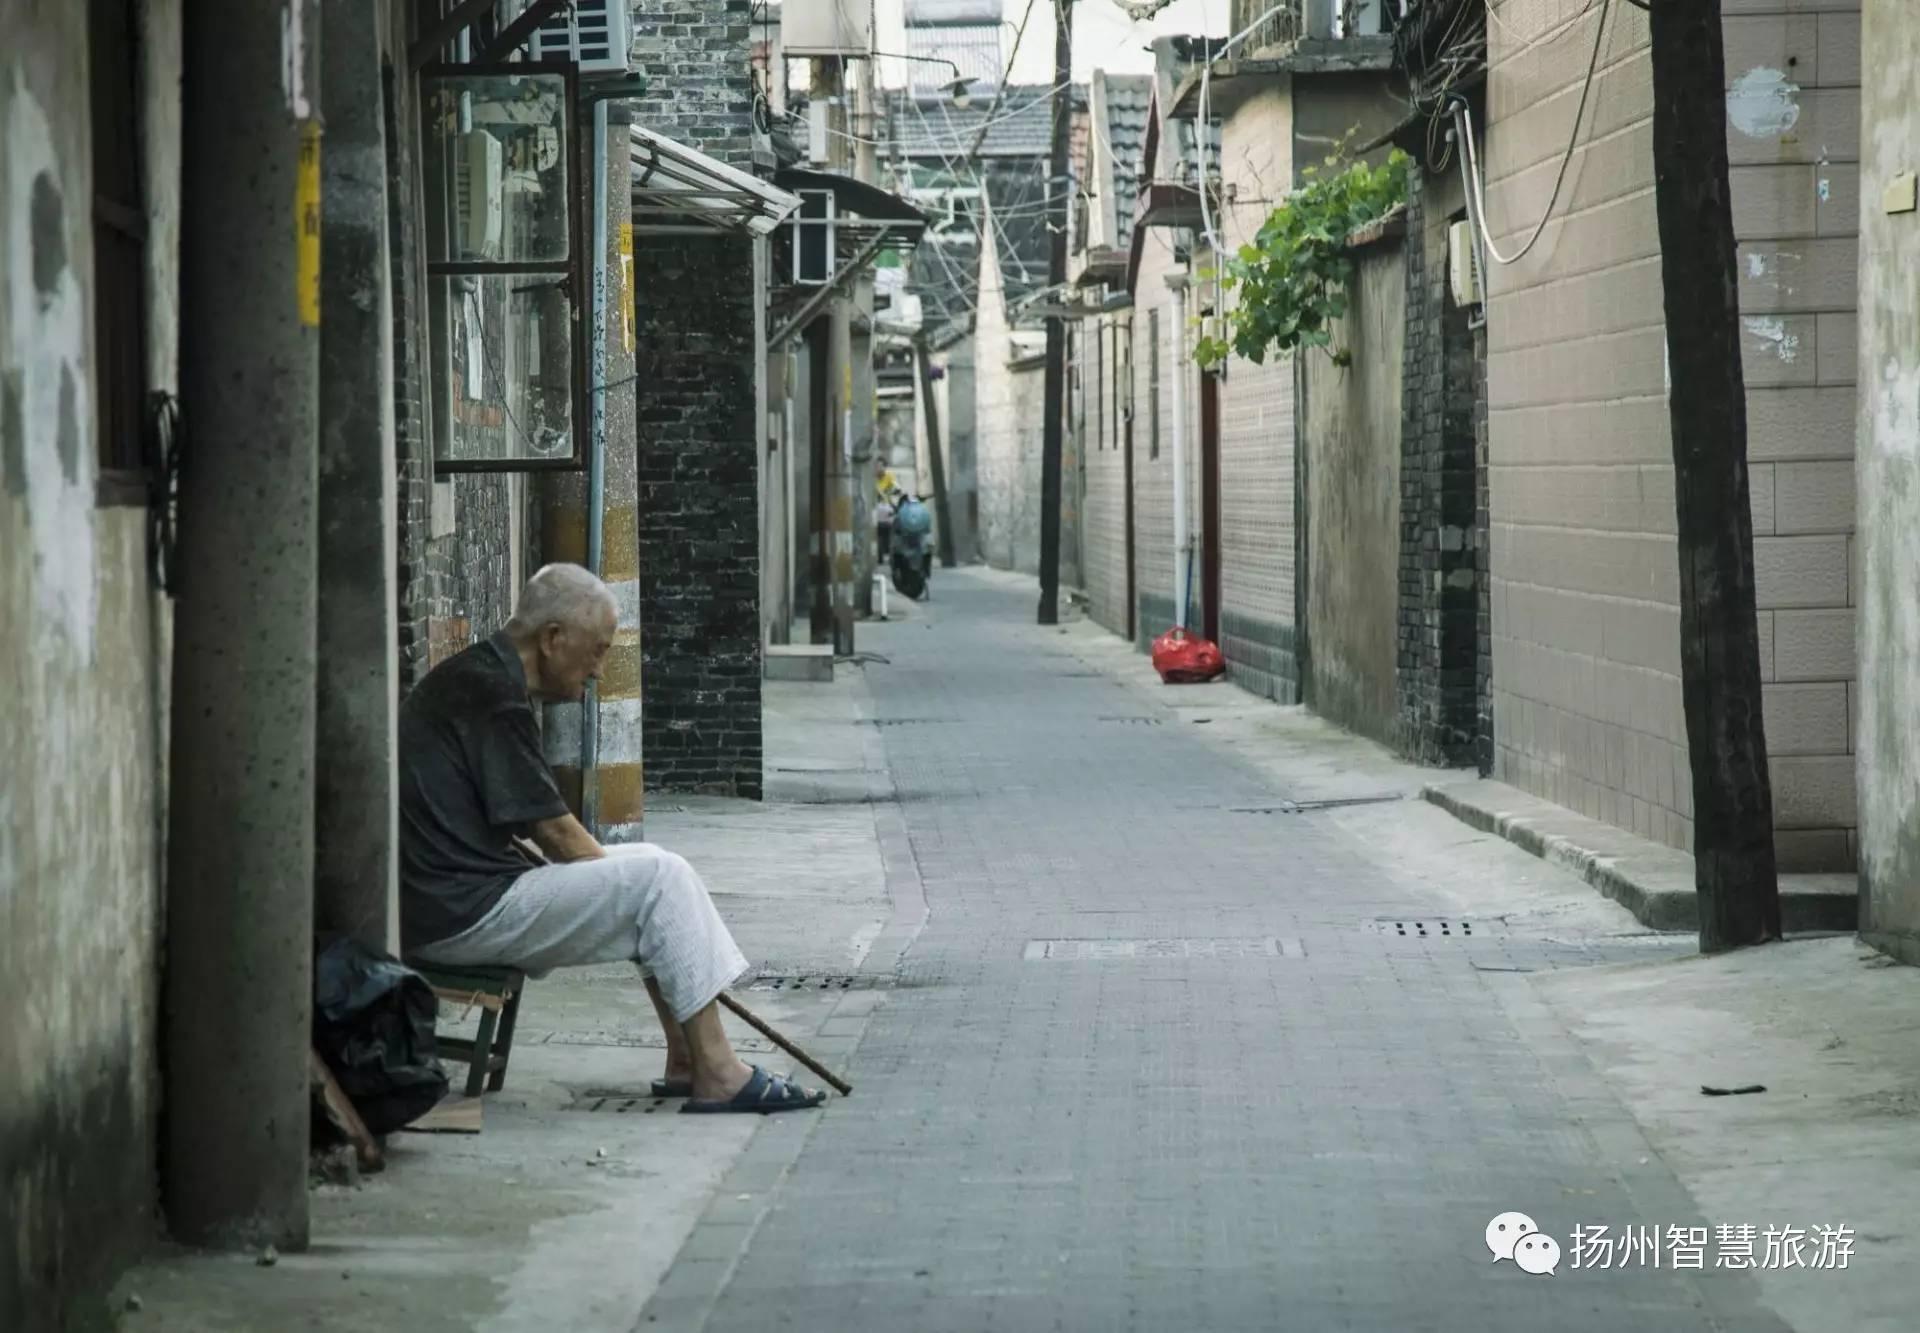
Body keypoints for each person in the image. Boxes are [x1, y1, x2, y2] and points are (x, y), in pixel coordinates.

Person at [398, 563, 826, 1113]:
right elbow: (553, 831)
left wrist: (626, 895)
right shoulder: (491, 691)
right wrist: (626, 896)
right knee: (655, 882)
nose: (599, 671)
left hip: (455, 899)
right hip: (456, 913)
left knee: (651, 864)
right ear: (553, 640)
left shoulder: (483, 675)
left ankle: (686, 1056)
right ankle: (718, 1070)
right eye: (597, 651)